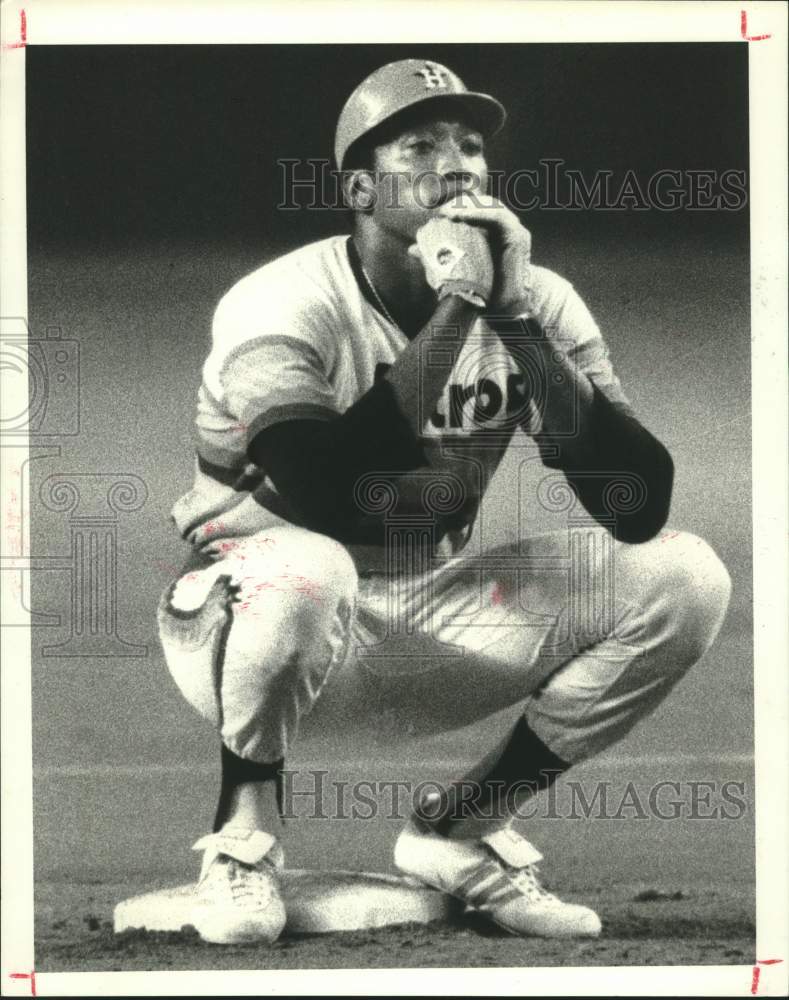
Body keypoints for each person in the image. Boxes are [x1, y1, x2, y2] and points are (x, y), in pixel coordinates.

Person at [157, 59, 731, 945]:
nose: (455, 164)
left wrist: (514, 321)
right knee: (307, 566)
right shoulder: (280, 301)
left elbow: (635, 504)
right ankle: (242, 842)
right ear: (359, 188)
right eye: (418, 147)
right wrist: (459, 307)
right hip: (242, 627)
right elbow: (326, 490)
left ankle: (459, 831)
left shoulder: (535, 302)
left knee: (684, 577)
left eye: (469, 145)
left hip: (422, 619)